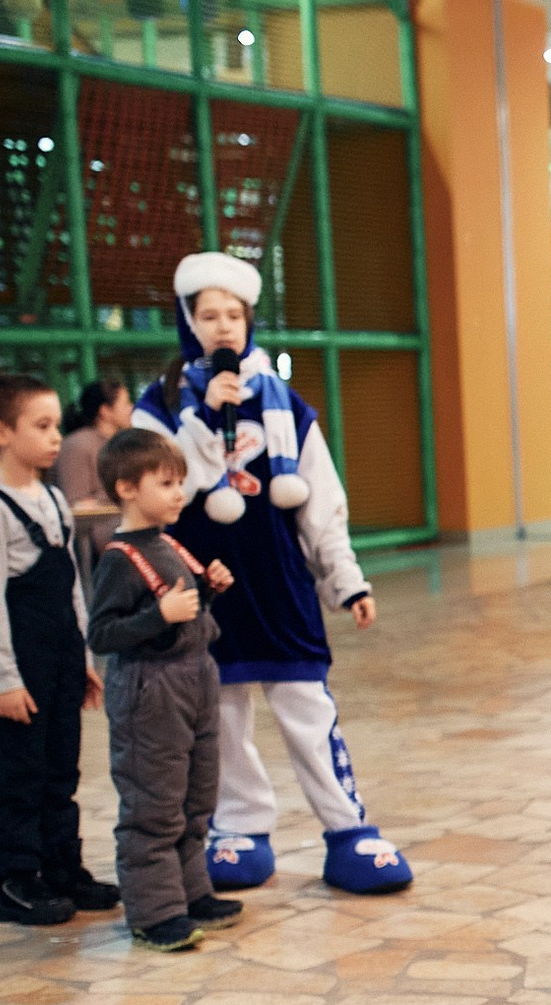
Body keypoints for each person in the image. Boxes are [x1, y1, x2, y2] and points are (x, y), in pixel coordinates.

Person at [135, 252, 411, 898]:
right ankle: (239, 827)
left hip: (281, 584)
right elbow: (154, 486)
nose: (223, 327)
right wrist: (202, 420)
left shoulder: (288, 405)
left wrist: (346, 580)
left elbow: (322, 503)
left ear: (249, 320)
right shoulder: (160, 405)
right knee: (222, 715)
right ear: (187, 322)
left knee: (307, 708)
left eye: (233, 315)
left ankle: (349, 829)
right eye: (209, 316)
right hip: (204, 588)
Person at [0, 373, 115, 929]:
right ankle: (15, 879)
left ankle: (61, 866)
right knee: (19, 775)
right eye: (42, 426)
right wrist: (4, 678)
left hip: (60, 660)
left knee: (60, 770)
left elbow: (72, 586)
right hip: (19, 667)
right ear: (1, 432)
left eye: (56, 426)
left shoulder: (53, 499)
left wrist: (83, 660)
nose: (56, 438)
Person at [85, 428, 242, 952]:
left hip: (194, 679)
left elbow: (183, 612)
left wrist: (209, 590)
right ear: (127, 488)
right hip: (151, 691)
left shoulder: (166, 543)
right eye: (167, 483)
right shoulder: (118, 558)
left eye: (180, 482)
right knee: (154, 800)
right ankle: (154, 913)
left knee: (196, 794)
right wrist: (159, 615)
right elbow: (102, 634)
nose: (180, 494)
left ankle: (190, 893)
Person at [55, 379, 135, 509]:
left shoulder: (122, 443)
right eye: (126, 403)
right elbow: (75, 504)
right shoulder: (77, 445)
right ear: (105, 411)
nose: (131, 408)